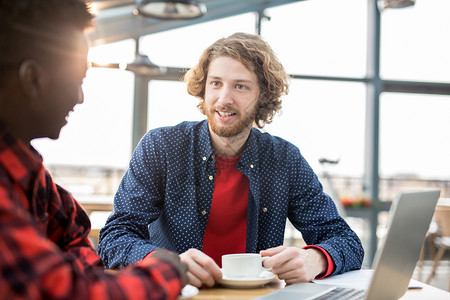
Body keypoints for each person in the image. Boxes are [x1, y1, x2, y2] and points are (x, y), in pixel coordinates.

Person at [98, 32, 364, 288]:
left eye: (240, 86)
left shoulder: (285, 159)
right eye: (216, 83)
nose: (224, 99)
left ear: (263, 96)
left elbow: (345, 240)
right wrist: (169, 264)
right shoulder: (161, 146)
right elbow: (115, 236)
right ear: (204, 88)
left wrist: (315, 259)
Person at [0, 1, 188, 299]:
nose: (80, 97)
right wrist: (167, 269)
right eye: (78, 80)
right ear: (32, 79)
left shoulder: (26, 171)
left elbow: (73, 232)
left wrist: (84, 276)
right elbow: (65, 292)